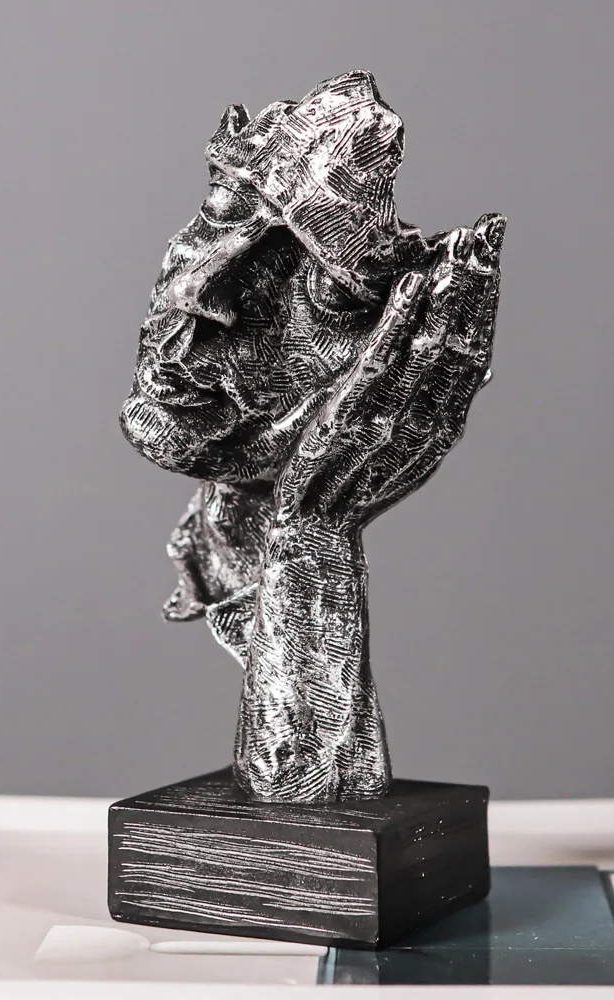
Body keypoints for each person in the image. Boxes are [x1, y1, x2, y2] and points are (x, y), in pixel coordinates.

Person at [121, 71, 505, 803]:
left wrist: (313, 533)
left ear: (392, 348)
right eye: (223, 207)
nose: (199, 296)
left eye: (321, 289)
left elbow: (300, 792)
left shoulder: (283, 515)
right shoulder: (219, 532)